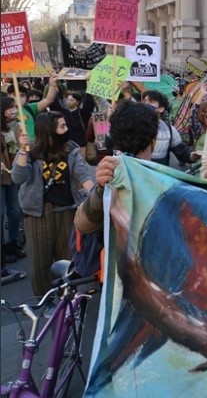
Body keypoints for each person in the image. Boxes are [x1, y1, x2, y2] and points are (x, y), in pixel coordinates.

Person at [12, 111, 94, 296]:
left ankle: (68, 299)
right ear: (49, 131)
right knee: (41, 262)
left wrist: (96, 192)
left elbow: (81, 174)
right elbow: (18, 177)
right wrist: (23, 152)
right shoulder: (31, 151)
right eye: (62, 126)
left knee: (68, 260)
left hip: (67, 211)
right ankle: (45, 300)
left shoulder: (70, 148)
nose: (66, 129)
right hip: (38, 214)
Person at [75, 100, 160, 236]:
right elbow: (83, 223)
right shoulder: (165, 181)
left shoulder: (111, 174)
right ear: (154, 140)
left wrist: (100, 189)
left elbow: (81, 224)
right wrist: (101, 189)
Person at [1, 97, 26, 276]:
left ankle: (12, 244)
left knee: (16, 211)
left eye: (14, 107)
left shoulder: (17, 126)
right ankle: (3, 251)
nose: (13, 111)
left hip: (13, 173)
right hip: (1, 175)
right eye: (9, 108)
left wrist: (25, 142)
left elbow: (24, 147)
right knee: (1, 213)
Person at [141, 90, 197, 166]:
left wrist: (193, 155)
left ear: (161, 108)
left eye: (150, 102)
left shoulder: (169, 130)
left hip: (159, 175)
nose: (146, 104)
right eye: (144, 101)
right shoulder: (132, 125)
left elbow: (182, 152)